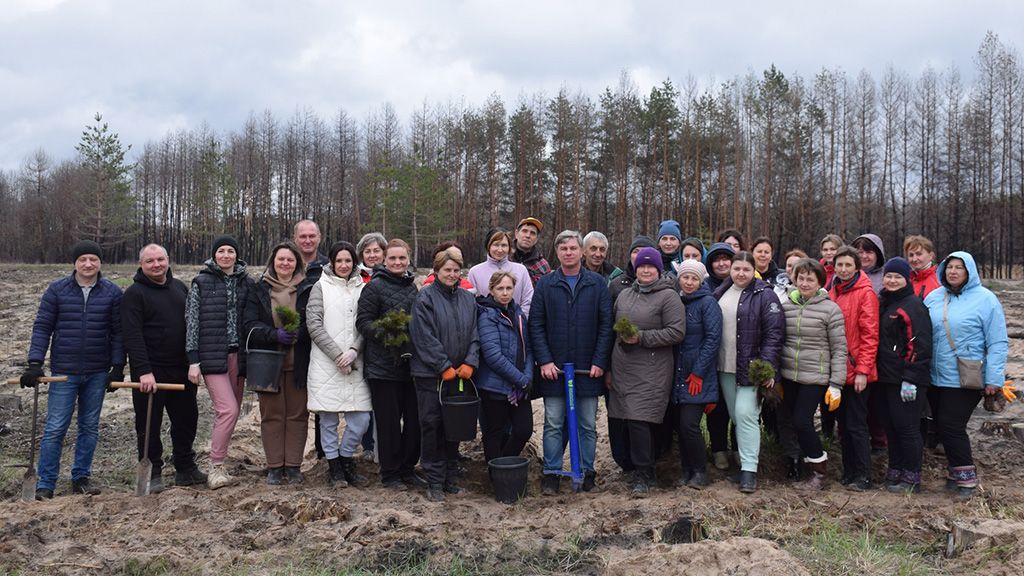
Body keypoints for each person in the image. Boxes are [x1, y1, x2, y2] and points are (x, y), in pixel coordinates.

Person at [21, 240, 124, 500]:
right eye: (82, 260)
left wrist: (118, 367)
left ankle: (81, 477)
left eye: (93, 259)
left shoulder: (112, 292)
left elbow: (119, 333)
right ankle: (46, 482)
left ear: (100, 262)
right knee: (55, 427)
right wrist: (35, 362)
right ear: (75, 263)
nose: (88, 264)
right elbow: (43, 326)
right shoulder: (57, 290)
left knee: (89, 426)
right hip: (63, 372)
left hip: (97, 372)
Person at [530, 230, 614, 495]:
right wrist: (544, 361)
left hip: (587, 369)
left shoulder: (597, 284)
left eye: (573, 248)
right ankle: (553, 472)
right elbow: (536, 324)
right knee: (554, 422)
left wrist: (599, 360)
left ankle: (588, 472)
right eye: (563, 248)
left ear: (582, 252)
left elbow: (605, 325)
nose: (568, 252)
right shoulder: (546, 284)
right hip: (554, 370)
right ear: (557, 253)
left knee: (588, 424)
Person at [122, 244, 205, 493]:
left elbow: (192, 326)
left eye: (160, 259)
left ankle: (185, 467)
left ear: (168, 260)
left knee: (187, 419)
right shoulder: (134, 294)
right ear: (141, 264)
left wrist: (194, 361)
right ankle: (153, 472)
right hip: (150, 372)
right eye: (150, 261)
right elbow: (132, 335)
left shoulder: (180, 288)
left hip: (181, 370)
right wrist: (143, 370)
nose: (156, 265)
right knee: (149, 424)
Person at [924, 251, 1008, 499]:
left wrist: (994, 378)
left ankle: (967, 480)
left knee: (951, 425)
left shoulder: (986, 300)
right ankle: (954, 472)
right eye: (949, 267)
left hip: (966, 376)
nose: (953, 271)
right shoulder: (934, 297)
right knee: (940, 425)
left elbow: (997, 342)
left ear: (969, 271)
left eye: (959, 267)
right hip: (934, 375)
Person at [607, 247, 686, 494]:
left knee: (640, 419)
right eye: (642, 266)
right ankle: (633, 466)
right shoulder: (624, 295)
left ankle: (646, 473)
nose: (646, 270)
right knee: (627, 420)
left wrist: (641, 337)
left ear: (659, 269)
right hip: (623, 367)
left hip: (652, 368)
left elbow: (676, 332)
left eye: (651, 266)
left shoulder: (668, 297)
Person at [410, 245, 480, 502]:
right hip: (432, 377)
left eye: (456, 270)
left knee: (454, 426)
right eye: (447, 270)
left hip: (460, 375)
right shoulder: (425, 298)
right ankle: (435, 480)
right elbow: (423, 337)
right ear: (437, 270)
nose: (452, 274)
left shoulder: (467, 299)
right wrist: (442, 366)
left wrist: (470, 362)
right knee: (432, 426)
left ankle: (450, 477)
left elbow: (475, 333)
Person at [244, 241, 316, 485]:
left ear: (297, 262)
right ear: (273, 262)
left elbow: (315, 320)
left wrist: (301, 333)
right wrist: (274, 334)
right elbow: (249, 324)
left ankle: (294, 466)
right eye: (280, 260)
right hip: (268, 363)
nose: (285, 263)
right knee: (272, 415)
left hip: (299, 362)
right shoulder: (259, 289)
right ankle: (275, 466)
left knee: (297, 414)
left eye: (290, 260)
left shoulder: (307, 288)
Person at [713, 251, 785, 493]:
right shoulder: (722, 291)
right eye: (736, 269)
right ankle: (745, 461)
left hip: (751, 369)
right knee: (737, 416)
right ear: (730, 270)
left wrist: (767, 367)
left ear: (753, 270)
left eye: (745, 269)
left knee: (746, 414)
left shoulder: (765, 295)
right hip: (725, 366)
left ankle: (749, 470)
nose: (740, 273)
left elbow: (774, 335)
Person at [186, 235, 253, 489]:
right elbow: (192, 321)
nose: (226, 255)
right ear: (214, 255)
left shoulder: (247, 282)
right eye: (221, 251)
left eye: (230, 251)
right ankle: (215, 468)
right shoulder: (201, 282)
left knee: (231, 413)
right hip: (212, 355)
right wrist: (193, 359)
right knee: (228, 410)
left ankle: (220, 461)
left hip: (240, 356)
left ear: (237, 255)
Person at [356, 239, 423, 490]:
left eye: (402, 258)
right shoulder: (374, 287)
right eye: (392, 258)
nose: (397, 262)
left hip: (410, 366)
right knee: (389, 423)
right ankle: (391, 473)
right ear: (384, 260)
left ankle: (408, 468)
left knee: (414, 420)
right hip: (382, 367)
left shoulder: (412, 287)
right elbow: (363, 322)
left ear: (408, 259)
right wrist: (389, 334)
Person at [304, 241, 371, 488]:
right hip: (326, 363)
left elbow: (367, 322)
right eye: (339, 261)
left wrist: (354, 351)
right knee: (328, 420)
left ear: (354, 262)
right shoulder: (319, 287)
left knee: (361, 419)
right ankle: (334, 467)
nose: (344, 265)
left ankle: (346, 459)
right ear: (332, 262)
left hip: (356, 362)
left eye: (348, 261)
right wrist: (337, 356)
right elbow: (314, 324)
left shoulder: (363, 288)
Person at [778, 258, 847, 490]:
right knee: (787, 421)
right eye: (801, 278)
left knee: (802, 421)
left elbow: (839, 349)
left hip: (815, 376)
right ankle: (796, 465)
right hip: (789, 374)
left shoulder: (830, 309)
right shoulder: (786, 304)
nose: (805, 283)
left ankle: (819, 470)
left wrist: (836, 383)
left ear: (820, 282)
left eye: (810, 279)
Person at [876, 257, 932, 494]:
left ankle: (912, 476)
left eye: (897, 277)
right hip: (886, 378)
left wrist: (910, 377)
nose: (891, 280)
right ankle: (895, 469)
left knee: (907, 427)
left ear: (906, 278)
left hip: (906, 380)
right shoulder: (884, 302)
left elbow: (920, 345)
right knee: (891, 427)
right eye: (888, 276)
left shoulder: (912, 306)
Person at [828, 246, 879, 490]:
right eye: (840, 265)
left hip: (857, 370)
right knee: (843, 425)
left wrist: (863, 370)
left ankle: (864, 475)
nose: (844, 270)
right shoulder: (832, 291)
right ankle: (849, 472)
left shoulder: (865, 293)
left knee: (857, 425)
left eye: (849, 265)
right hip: (837, 371)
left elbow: (870, 334)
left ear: (857, 267)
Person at [671, 259, 722, 490]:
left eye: (694, 278)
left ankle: (700, 471)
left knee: (689, 424)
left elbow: (713, 339)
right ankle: (686, 470)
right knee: (680, 426)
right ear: (679, 279)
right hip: (678, 372)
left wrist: (699, 372)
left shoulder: (708, 303)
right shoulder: (677, 301)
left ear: (701, 281)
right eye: (685, 277)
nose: (689, 282)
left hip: (697, 374)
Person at [476, 271, 534, 463]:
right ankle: (496, 475)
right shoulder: (486, 314)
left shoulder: (518, 314)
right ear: (491, 290)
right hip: (494, 386)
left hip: (520, 386)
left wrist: (526, 378)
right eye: (500, 288)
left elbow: (528, 348)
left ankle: (505, 465)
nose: (505, 293)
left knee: (523, 429)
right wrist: (521, 380)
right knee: (494, 432)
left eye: (509, 288)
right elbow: (493, 356)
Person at [702, 241, 737, 469]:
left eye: (726, 258)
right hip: (711, 356)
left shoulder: (746, 285)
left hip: (737, 356)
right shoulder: (704, 286)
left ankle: (738, 449)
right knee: (717, 407)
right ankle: (718, 450)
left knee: (740, 409)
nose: (722, 263)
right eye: (717, 259)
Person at [467, 228, 534, 316]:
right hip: (487, 326)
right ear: (488, 246)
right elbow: (470, 304)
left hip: (516, 325)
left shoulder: (521, 270)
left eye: (504, 245)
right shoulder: (475, 272)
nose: (499, 250)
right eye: (496, 245)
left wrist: (520, 321)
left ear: (509, 247)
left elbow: (528, 300)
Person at [610, 235, 657, 305]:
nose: (639, 255)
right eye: (636, 251)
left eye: (645, 251)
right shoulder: (617, 284)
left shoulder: (664, 283)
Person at [511, 216, 551, 285]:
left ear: (536, 239)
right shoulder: (505, 257)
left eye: (532, 233)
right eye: (524, 231)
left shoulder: (543, 265)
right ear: (516, 234)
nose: (528, 235)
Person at [903, 235, 940, 299]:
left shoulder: (940, 280)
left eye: (919, 254)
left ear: (931, 255)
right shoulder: (905, 281)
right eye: (911, 255)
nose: (914, 259)